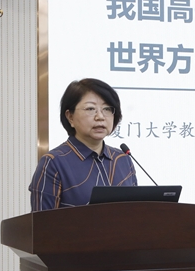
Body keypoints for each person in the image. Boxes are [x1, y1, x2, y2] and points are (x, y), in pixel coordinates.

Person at [29, 78, 137, 210]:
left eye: (107, 109)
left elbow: (134, 213)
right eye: (90, 109)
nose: (100, 117)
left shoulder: (122, 159)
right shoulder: (54, 163)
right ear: (70, 117)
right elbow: (41, 221)